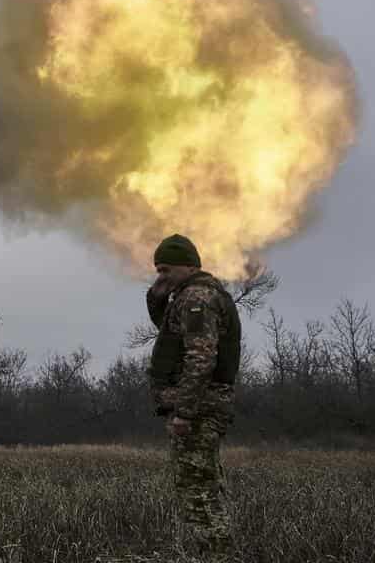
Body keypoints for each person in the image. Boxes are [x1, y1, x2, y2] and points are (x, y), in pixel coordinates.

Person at [145, 234, 241, 557]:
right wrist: (157, 298)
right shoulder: (192, 296)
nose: (161, 277)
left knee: (197, 491)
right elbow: (172, 333)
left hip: (199, 410)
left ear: (187, 266)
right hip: (202, 406)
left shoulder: (197, 298)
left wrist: (184, 412)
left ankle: (218, 554)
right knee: (202, 486)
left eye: (165, 270)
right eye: (158, 271)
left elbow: (200, 359)